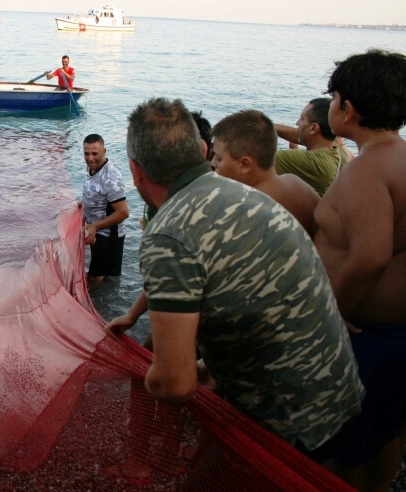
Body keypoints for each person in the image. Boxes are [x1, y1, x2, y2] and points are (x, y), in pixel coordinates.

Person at [106, 98, 363, 467]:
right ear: (202, 150)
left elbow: (174, 385)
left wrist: (135, 375)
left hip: (292, 429)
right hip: (343, 395)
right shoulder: (250, 195)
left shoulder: (168, 234)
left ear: (134, 171)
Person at [313, 49, 406, 492]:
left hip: (366, 338)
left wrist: (329, 313)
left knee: (342, 457)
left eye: (333, 98)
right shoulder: (399, 158)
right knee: (385, 440)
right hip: (395, 338)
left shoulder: (366, 170)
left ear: (346, 108)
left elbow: (370, 256)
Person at [211, 109, 320, 237]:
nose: (213, 163)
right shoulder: (297, 185)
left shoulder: (244, 207)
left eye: (219, 158)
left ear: (245, 165)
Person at [274, 97, 350, 196]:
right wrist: (270, 127)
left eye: (302, 119)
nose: (297, 123)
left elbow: (252, 159)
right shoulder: (339, 151)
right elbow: (300, 135)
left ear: (314, 128)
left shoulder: (311, 161)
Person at [80, 134, 129, 283]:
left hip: (108, 235)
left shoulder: (111, 178)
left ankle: (96, 304)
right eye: (86, 154)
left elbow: (123, 212)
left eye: (95, 153)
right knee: (101, 276)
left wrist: (95, 226)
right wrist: (82, 202)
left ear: (104, 152)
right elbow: (96, 193)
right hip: (97, 232)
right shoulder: (92, 167)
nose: (90, 158)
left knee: (96, 278)